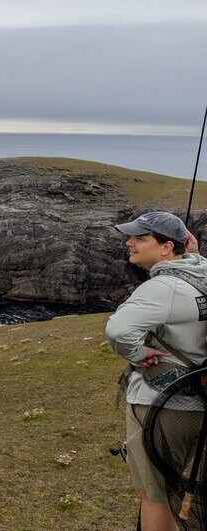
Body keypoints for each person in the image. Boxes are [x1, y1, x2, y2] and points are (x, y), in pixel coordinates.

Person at [105, 211, 207, 531]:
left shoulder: (163, 288)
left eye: (141, 237)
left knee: (154, 496)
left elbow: (119, 331)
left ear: (166, 248)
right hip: (200, 403)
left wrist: (138, 354)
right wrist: (193, 252)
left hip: (160, 407)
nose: (129, 242)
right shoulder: (202, 274)